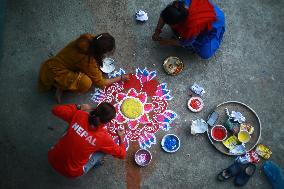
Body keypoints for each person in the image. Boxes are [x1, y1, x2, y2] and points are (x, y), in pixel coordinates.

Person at [38, 33, 130, 102]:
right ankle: (60, 86)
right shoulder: (89, 61)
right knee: (86, 83)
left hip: (55, 63)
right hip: (56, 73)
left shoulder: (87, 38)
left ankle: (63, 83)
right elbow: (101, 83)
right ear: (101, 52)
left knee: (87, 71)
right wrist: (121, 78)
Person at [48, 102, 126, 178]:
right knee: (104, 150)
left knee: (72, 124)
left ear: (95, 109)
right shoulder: (104, 138)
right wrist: (121, 138)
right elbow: (122, 154)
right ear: (107, 122)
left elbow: (56, 110)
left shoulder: (79, 114)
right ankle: (96, 163)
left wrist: (79, 107)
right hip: (72, 171)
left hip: (52, 157)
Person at [152, 0, 225, 59]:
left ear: (181, 22)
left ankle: (216, 38)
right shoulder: (178, 5)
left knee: (205, 53)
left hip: (214, 24)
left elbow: (185, 42)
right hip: (207, 14)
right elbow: (164, 16)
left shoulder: (193, 25)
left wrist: (166, 42)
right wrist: (157, 31)